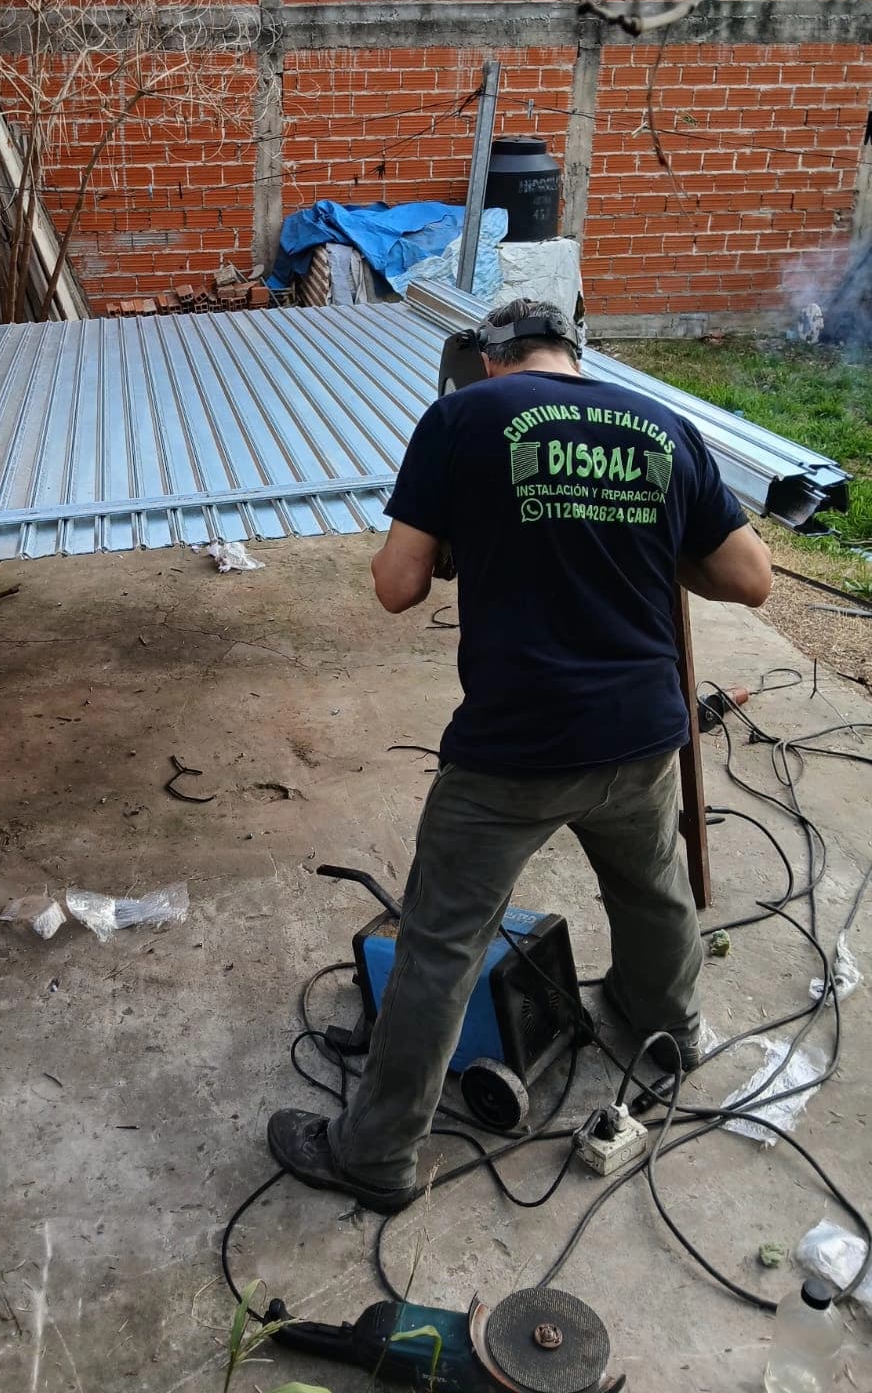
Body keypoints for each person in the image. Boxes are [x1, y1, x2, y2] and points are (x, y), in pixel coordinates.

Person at [267, 298, 772, 1214]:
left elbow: (396, 586)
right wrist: (649, 544)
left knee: (440, 943)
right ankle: (670, 1031)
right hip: (642, 731)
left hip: (516, 748)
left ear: (491, 361)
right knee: (651, 888)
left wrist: (467, 537)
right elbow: (750, 578)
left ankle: (377, 1154)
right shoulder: (663, 426)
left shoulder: (462, 417)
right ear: (572, 354)